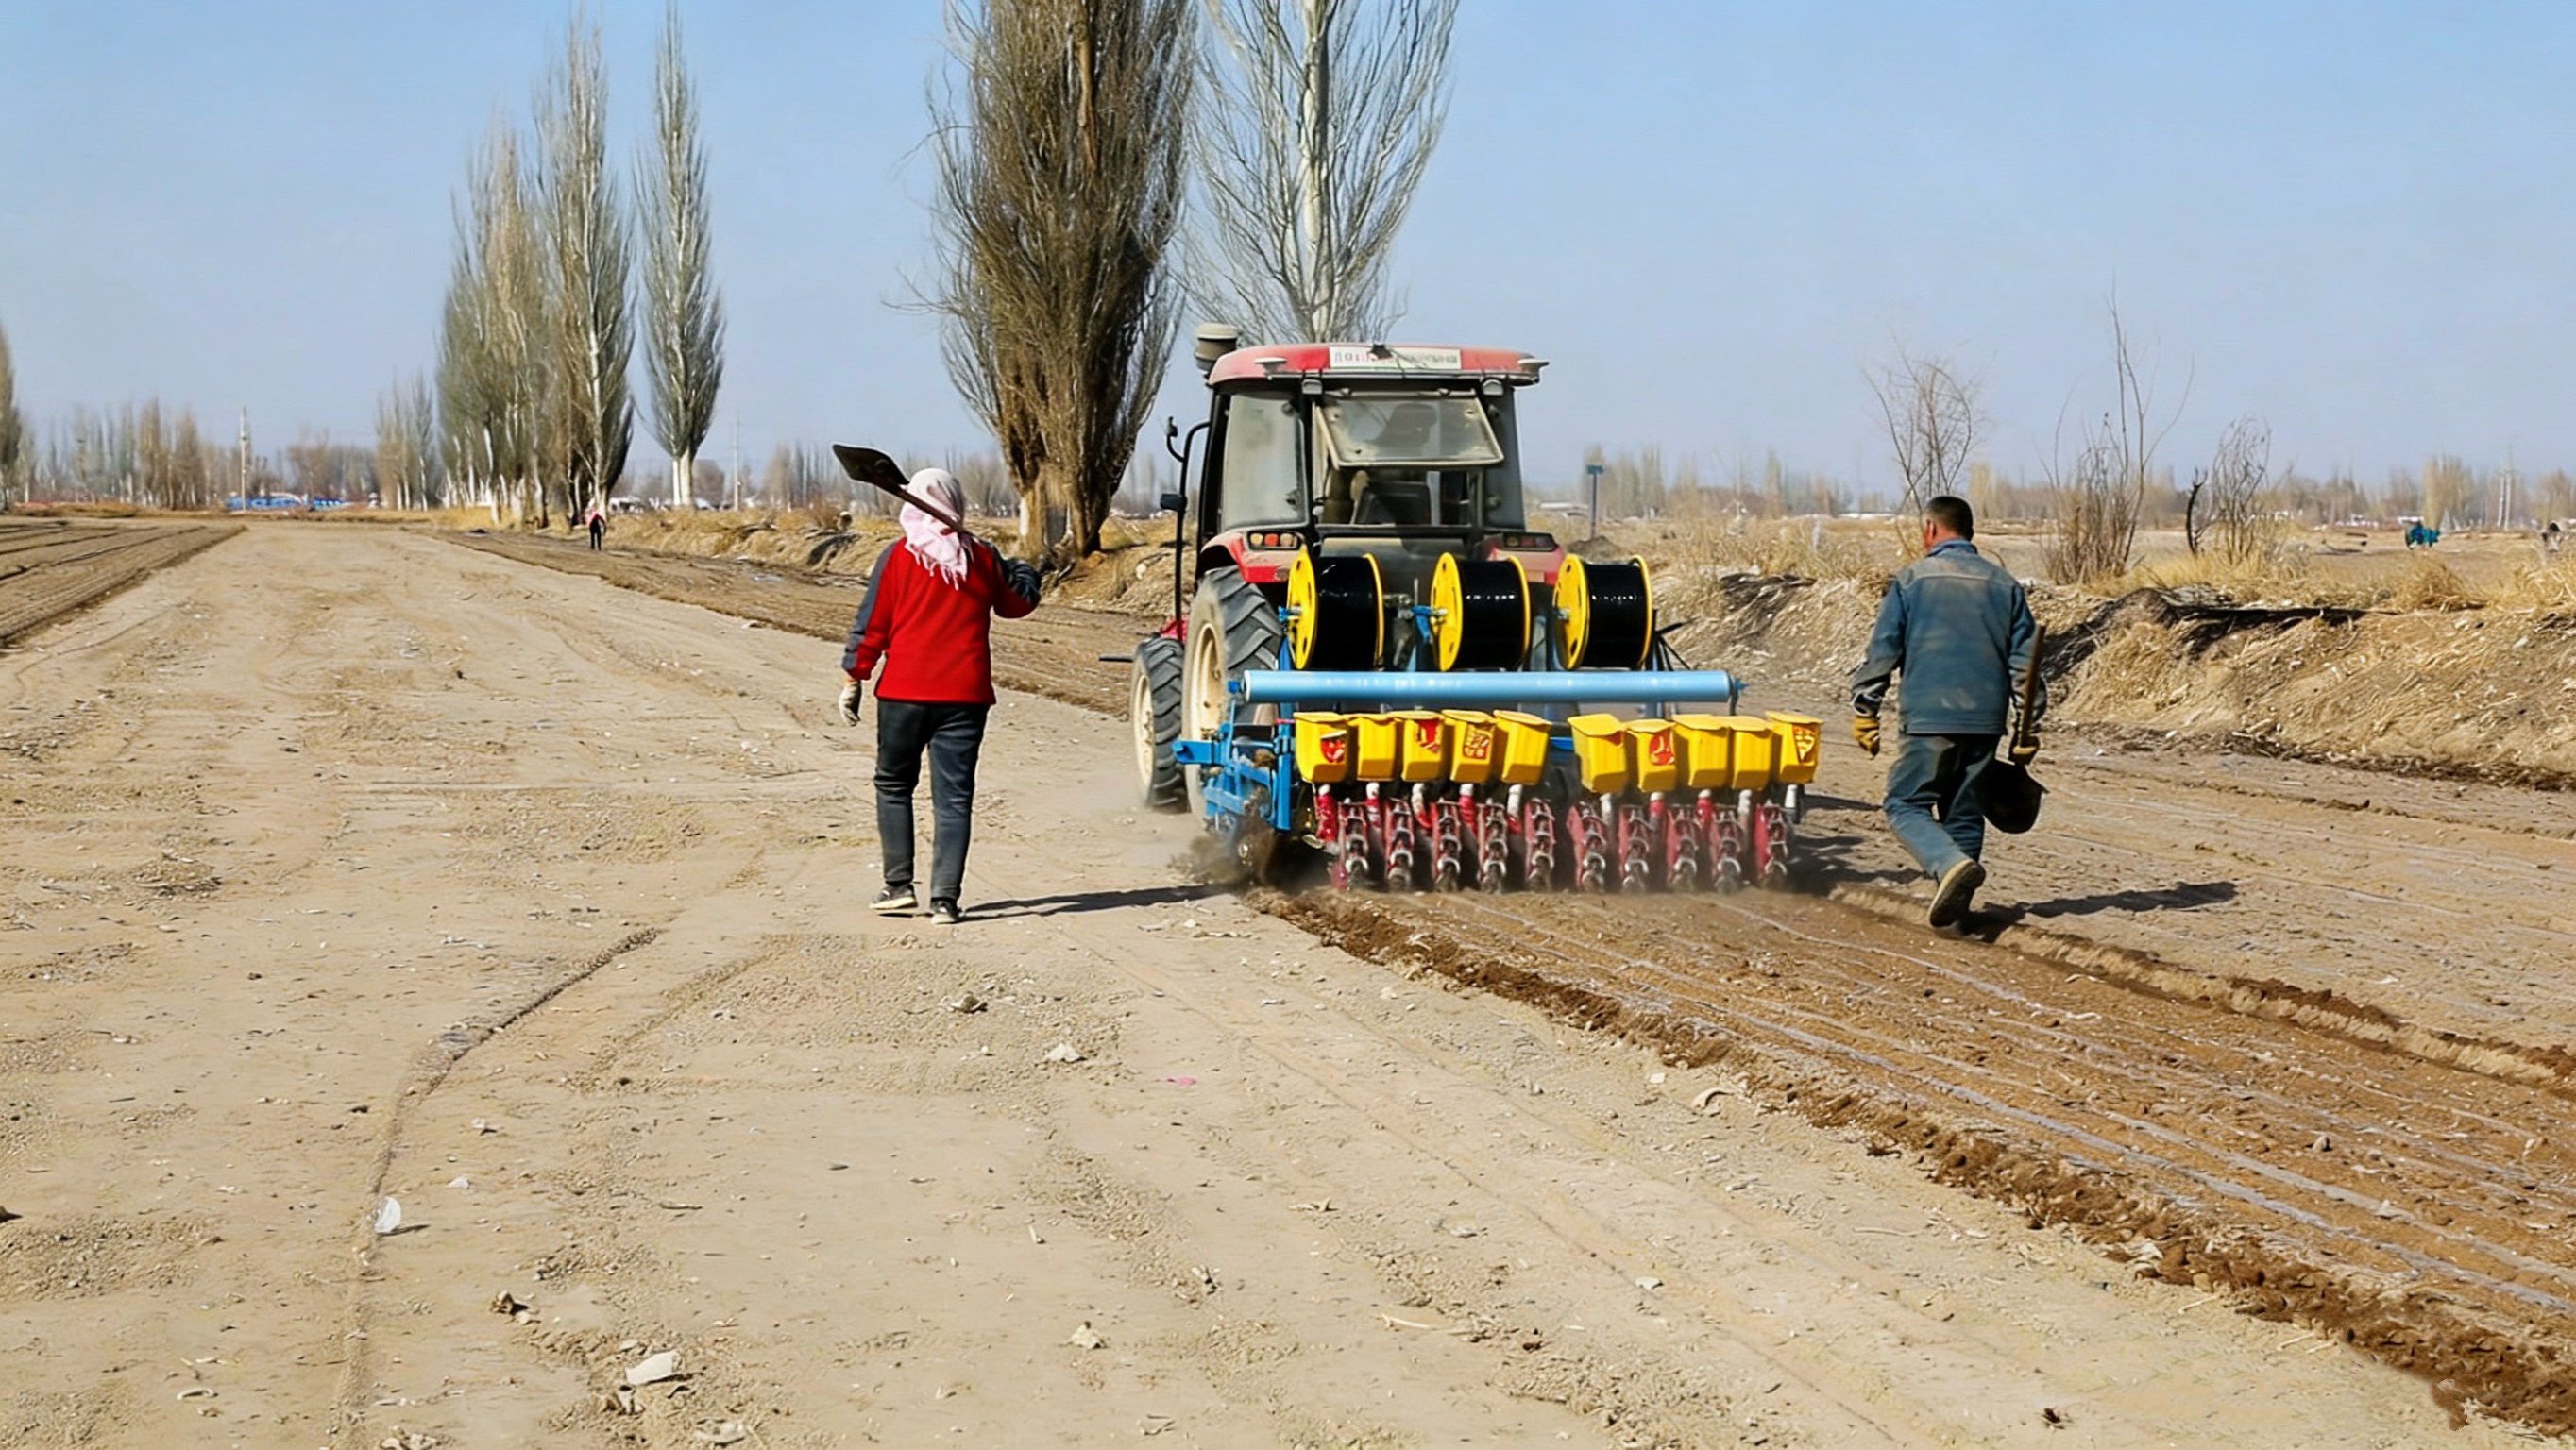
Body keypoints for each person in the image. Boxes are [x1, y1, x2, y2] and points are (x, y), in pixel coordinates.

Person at [837, 468, 1042, 925]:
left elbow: (873, 624)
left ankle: (898, 887)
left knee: (893, 785)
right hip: (965, 698)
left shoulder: (898, 557)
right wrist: (1022, 568)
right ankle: (945, 901)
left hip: (903, 695)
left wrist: (855, 677)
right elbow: (1018, 604)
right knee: (953, 799)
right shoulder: (982, 558)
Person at [1847, 495, 2042, 928]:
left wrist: (1866, 708)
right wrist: (2029, 725)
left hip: (1929, 717)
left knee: (1905, 804)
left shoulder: (1913, 580)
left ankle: (1946, 865)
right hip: (1987, 719)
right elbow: (2025, 664)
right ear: (1969, 531)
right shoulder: (2005, 585)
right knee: (1965, 810)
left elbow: (1884, 650)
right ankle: (1956, 915)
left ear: (1931, 530)